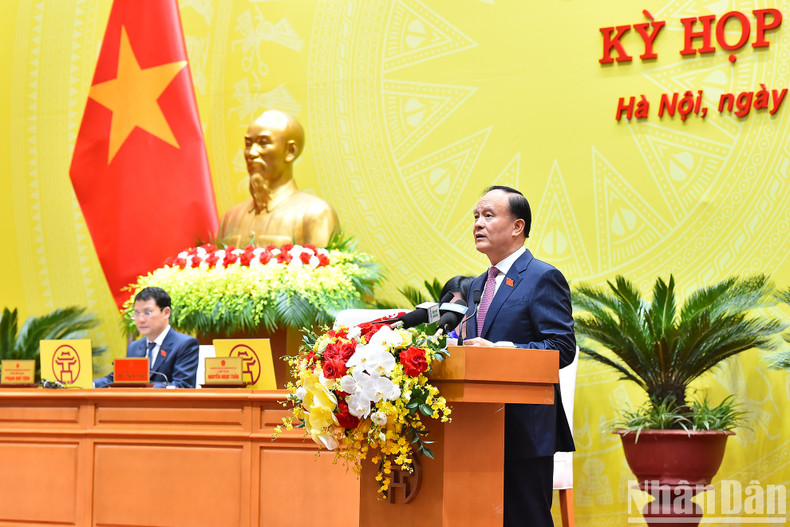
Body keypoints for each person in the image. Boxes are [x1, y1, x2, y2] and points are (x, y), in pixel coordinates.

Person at [462, 185, 576, 527]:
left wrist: (502, 352)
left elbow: (562, 347)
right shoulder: (478, 284)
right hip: (479, 425)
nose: (478, 224)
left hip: (525, 428)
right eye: (476, 217)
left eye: (488, 215)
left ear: (517, 227)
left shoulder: (543, 277)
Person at [217, 110, 339, 248]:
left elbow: (325, 268)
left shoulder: (316, 215)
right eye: (248, 144)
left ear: (290, 151)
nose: (251, 153)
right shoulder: (230, 219)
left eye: (263, 144)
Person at [94, 287, 199, 388]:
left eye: (147, 313)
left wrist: (145, 388)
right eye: (136, 314)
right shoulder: (134, 347)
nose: (140, 320)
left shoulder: (185, 344)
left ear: (166, 313)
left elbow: (183, 386)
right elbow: (117, 379)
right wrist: (90, 384)